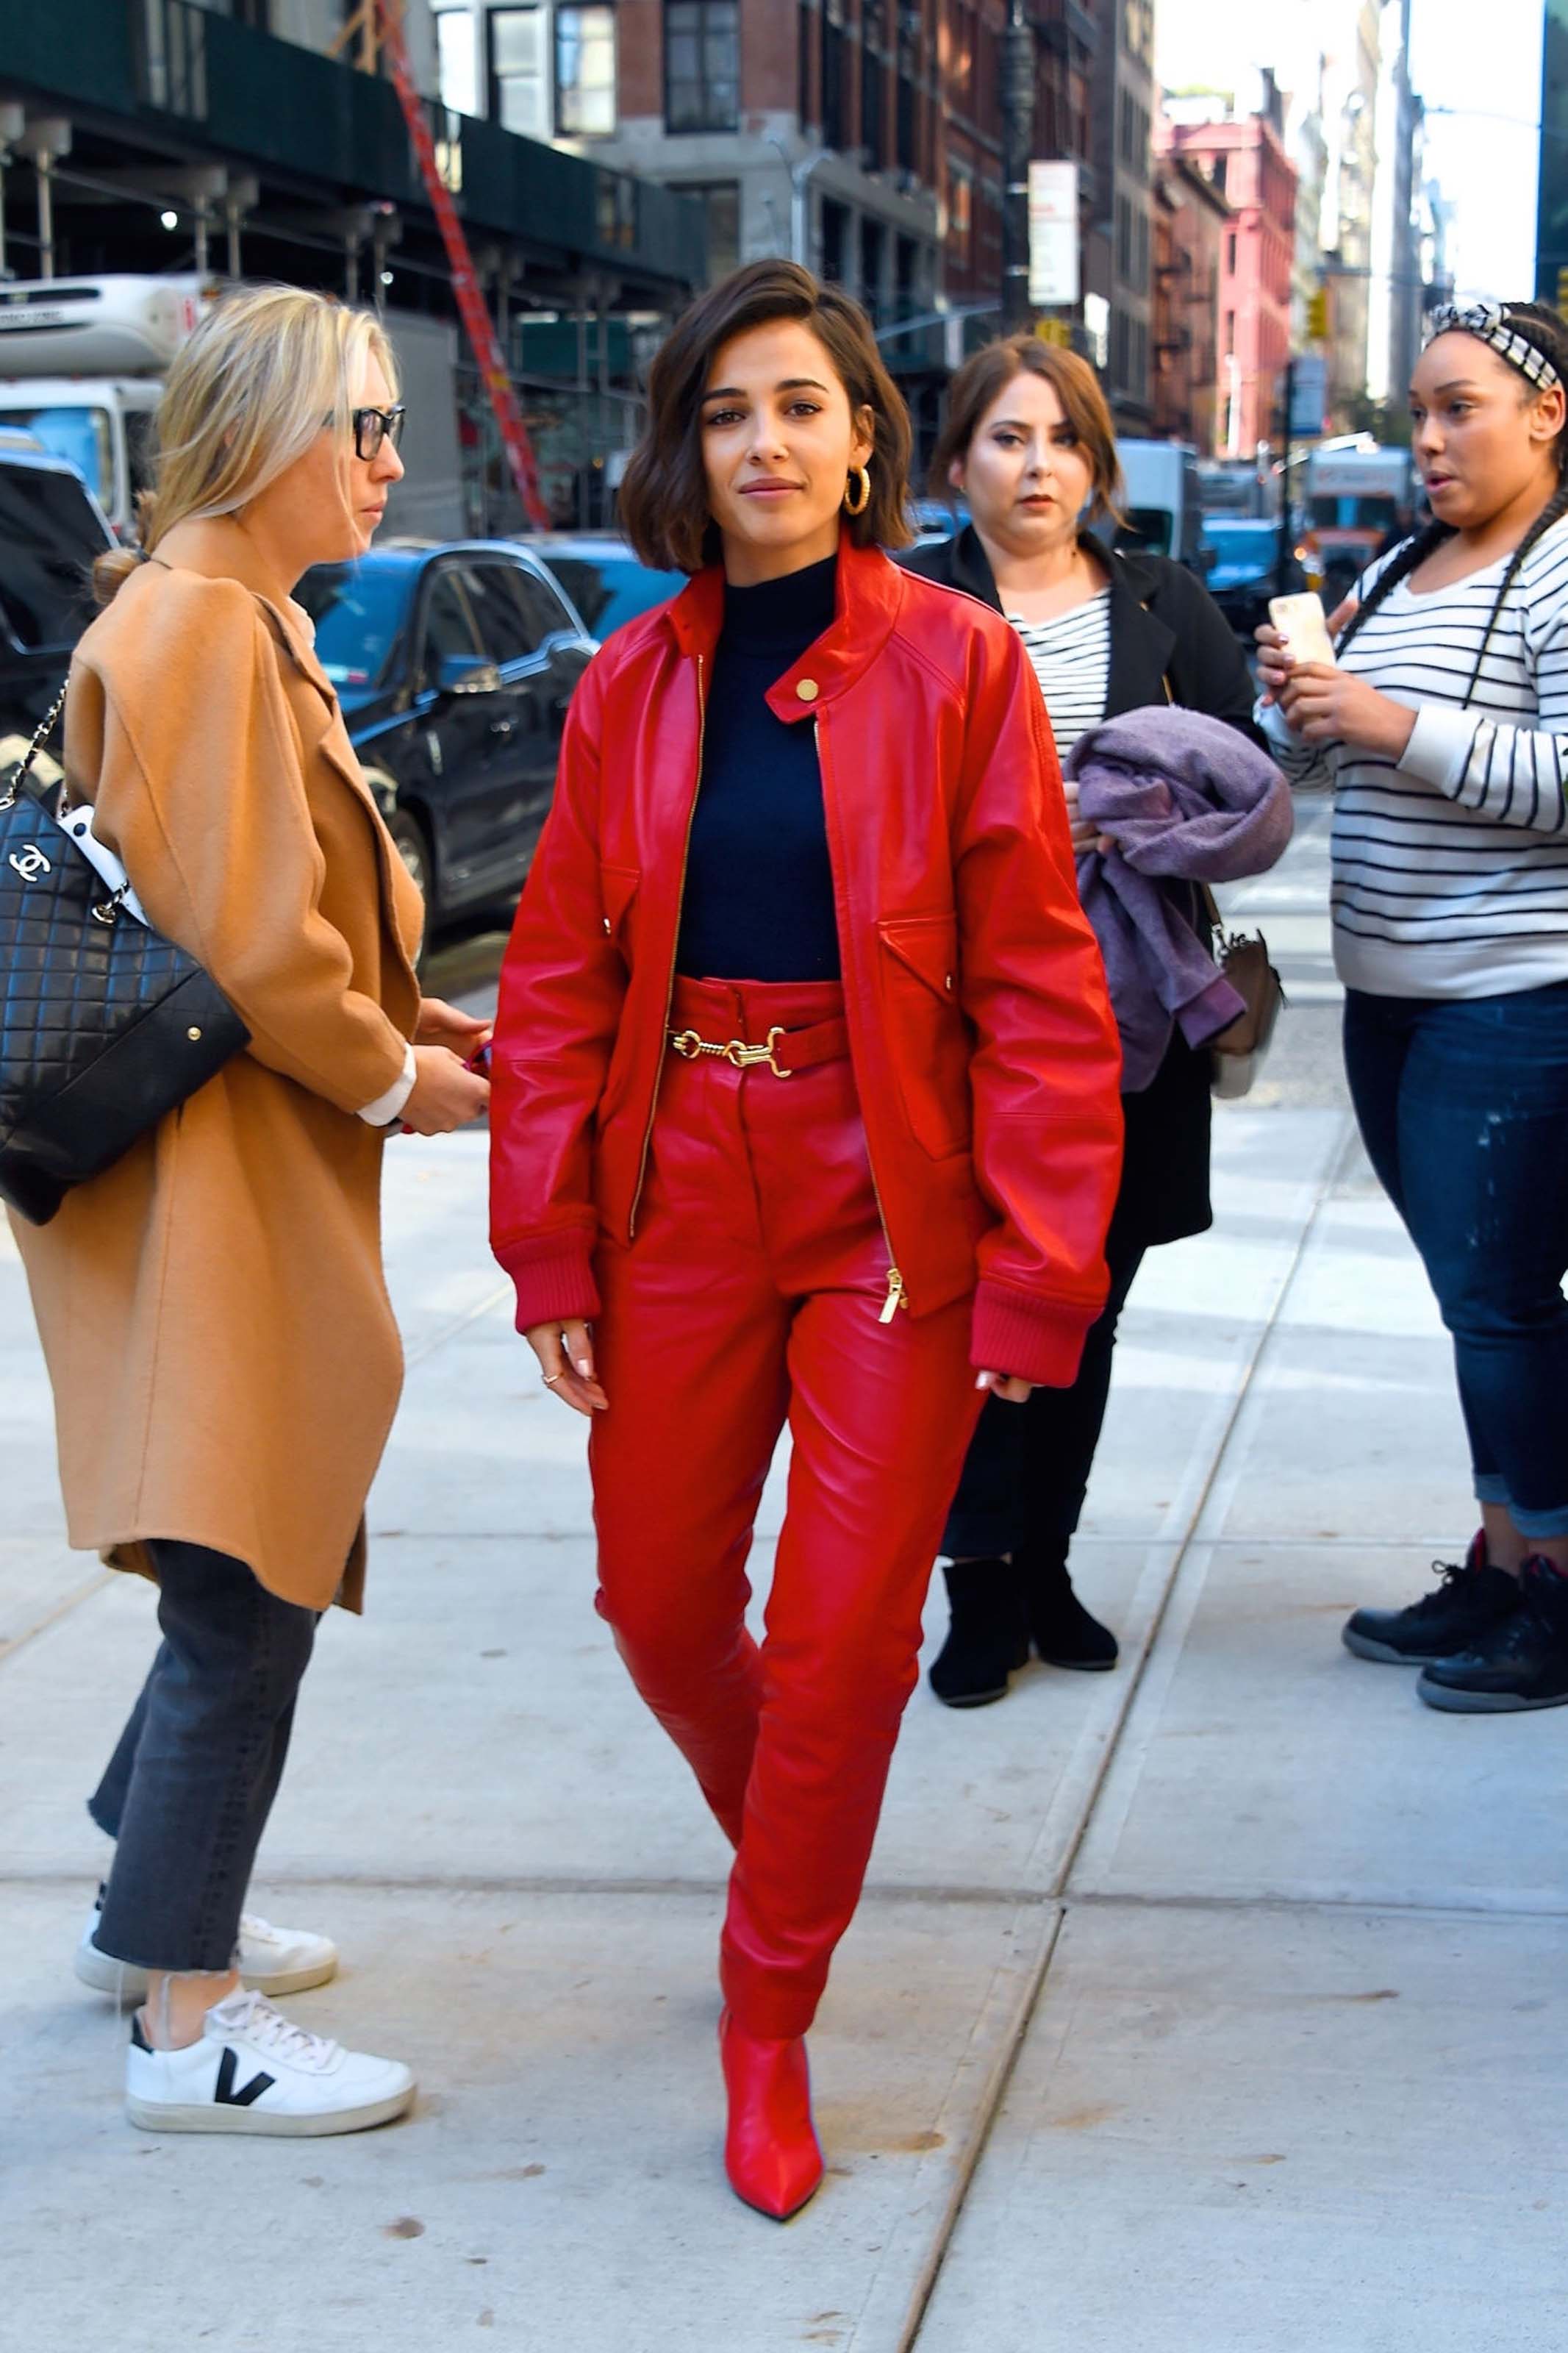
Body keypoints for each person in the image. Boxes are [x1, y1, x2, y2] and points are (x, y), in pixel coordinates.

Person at [488, 262, 1123, 2217]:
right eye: (722, 410)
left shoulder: (954, 662)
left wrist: (1039, 1265)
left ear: (862, 445)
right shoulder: (629, 678)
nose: (759, 442)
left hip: (885, 1204)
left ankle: (765, 2007)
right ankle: (792, 1837)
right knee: (658, 1605)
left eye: (797, 406)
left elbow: (1033, 982)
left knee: (841, 1644)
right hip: (678, 1180)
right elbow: (551, 988)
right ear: (684, 447)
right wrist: (549, 1254)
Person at [10, 285, 491, 2134]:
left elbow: (260, 906)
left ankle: (153, 1910)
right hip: (221, 1173)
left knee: (239, 1545)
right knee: (247, 1579)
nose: (384, 461)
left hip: (223, 1158)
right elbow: (249, 941)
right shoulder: (208, 625)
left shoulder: (223, 616)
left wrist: (401, 1008)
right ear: (257, 433)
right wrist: (389, 1075)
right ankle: (183, 2020)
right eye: (353, 427)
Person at [901, 337, 1273, 1707]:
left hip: (1123, 1013)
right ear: (956, 464)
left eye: (1060, 438)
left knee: (1087, 1305)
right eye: (1005, 437)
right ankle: (975, 1587)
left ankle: (1046, 1568)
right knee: (959, 1308)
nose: (1036, 462)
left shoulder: (1166, 604)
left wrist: (1148, 799)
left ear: (1095, 464)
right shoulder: (899, 600)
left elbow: (1245, 800)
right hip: (944, 1015)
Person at [1256, 298, 1568, 1715]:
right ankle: (1504, 1564)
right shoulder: (1400, 565)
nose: (1427, 440)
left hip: (1510, 1002)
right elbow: (1317, 775)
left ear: (1544, 413)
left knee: (1504, 1308)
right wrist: (1300, 709)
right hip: (1389, 1004)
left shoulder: (1562, 571)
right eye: (1419, 413)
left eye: (1460, 409)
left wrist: (1386, 719)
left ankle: (1557, 1593)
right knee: (1473, 1306)